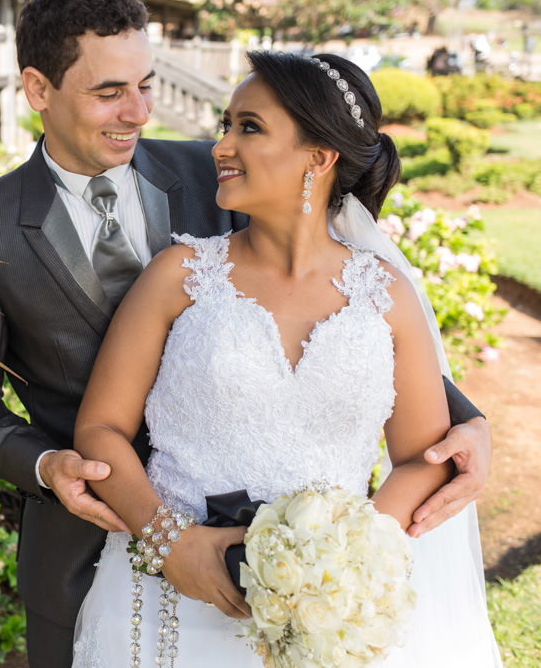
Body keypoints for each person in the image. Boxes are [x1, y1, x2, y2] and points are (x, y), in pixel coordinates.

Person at [0, 0, 491, 665]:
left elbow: (354, 319)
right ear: (37, 88)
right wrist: (51, 466)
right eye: (111, 91)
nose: (137, 112)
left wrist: (463, 422)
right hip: (94, 550)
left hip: (307, 574)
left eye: (145, 84)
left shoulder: (220, 169)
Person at [71, 50, 500, 667]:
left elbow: (419, 458)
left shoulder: (386, 296)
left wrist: (345, 560)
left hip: (325, 616)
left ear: (319, 157)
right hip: (167, 604)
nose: (221, 146)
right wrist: (169, 542)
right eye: (226, 125)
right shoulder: (180, 276)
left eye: (249, 127)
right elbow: (100, 429)